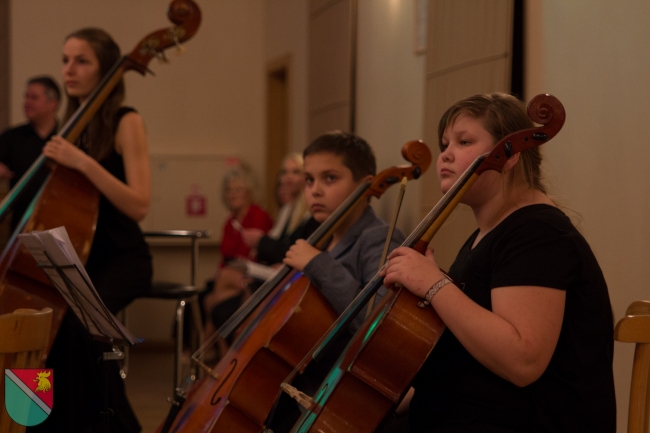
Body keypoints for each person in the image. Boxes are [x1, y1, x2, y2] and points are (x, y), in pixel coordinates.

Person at [380, 93, 616, 432]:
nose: (445, 154)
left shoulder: (537, 234)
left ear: (509, 155)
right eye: (445, 144)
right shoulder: (489, 235)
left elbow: (523, 361)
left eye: (463, 142)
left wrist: (433, 283)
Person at [28, 28, 152, 433]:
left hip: (122, 258)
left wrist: (82, 161)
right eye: (65, 60)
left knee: (80, 328)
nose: (69, 69)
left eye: (82, 61)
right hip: (78, 258)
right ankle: (37, 422)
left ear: (107, 70)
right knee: (42, 327)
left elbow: (140, 204)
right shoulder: (70, 125)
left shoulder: (125, 120)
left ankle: (118, 428)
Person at [266, 131, 406, 432]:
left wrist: (317, 263)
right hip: (301, 384)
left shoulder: (379, 238)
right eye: (309, 180)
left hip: (337, 398)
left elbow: (378, 320)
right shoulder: (320, 238)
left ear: (365, 185)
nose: (315, 191)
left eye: (329, 178)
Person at [201, 165, 273, 344]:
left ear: (249, 192)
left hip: (253, 276)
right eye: (229, 190)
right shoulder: (229, 223)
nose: (232, 194)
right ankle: (219, 351)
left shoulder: (259, 216)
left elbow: (258, 255)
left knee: (215, 297)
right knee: (211, 299)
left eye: (238, 190)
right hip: (232, 279)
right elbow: (224, 258)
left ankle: (206, 346)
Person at [0, 75, 60, 229]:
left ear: (53, 104)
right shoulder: (11, 137)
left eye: (34, 97)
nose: (27, 102)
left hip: (59, 222)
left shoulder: (68, 136)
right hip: (21, 226)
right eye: (26, 97)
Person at [241, 152, 319, 267]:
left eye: (296, 172)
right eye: (285, 172)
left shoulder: (310, 211)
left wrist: (261, 241)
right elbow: (278, 243)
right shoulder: (287, 209)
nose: (288, 177)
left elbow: (294, 249)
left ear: (306, 178)